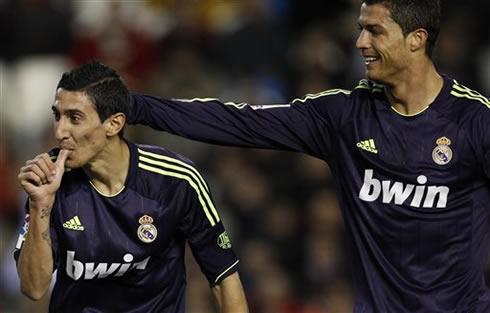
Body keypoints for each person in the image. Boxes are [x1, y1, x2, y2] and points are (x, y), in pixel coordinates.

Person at [128, 0, 490, 312]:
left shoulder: (474, 122)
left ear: (417, 39)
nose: (360, 42)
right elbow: (238, 121)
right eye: (360, 29)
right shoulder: (345, 117)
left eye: (375, 31)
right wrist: (134, 105)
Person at [14, 61, 249, 313]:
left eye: (75, 118)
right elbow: (34, 288)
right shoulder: (50, 180)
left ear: (114, 124)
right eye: (57, 116)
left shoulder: (176, 180)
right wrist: (41, 204)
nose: (60, 131)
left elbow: (224, 278)